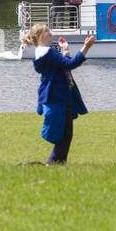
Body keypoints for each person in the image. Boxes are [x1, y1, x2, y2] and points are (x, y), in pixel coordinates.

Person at [23, 23, 95, 165]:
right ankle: (52, 164)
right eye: (47, 31)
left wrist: (65, 50)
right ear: (39, 36)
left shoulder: (45, 53)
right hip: (57, 97)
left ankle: (58, 165)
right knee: (64, 136)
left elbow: (65, 63)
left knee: (65, 135)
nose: (50, 32)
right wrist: (86, 47)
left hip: (58, 96)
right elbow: (70, 65)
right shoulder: (48, 53)